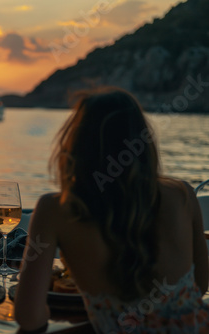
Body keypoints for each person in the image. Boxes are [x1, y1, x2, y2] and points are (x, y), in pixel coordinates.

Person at [14, 87, 209, 333]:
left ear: (77, 145)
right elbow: (200, 285)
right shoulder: (182, 195)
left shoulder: (56, 210)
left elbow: (29, 318)